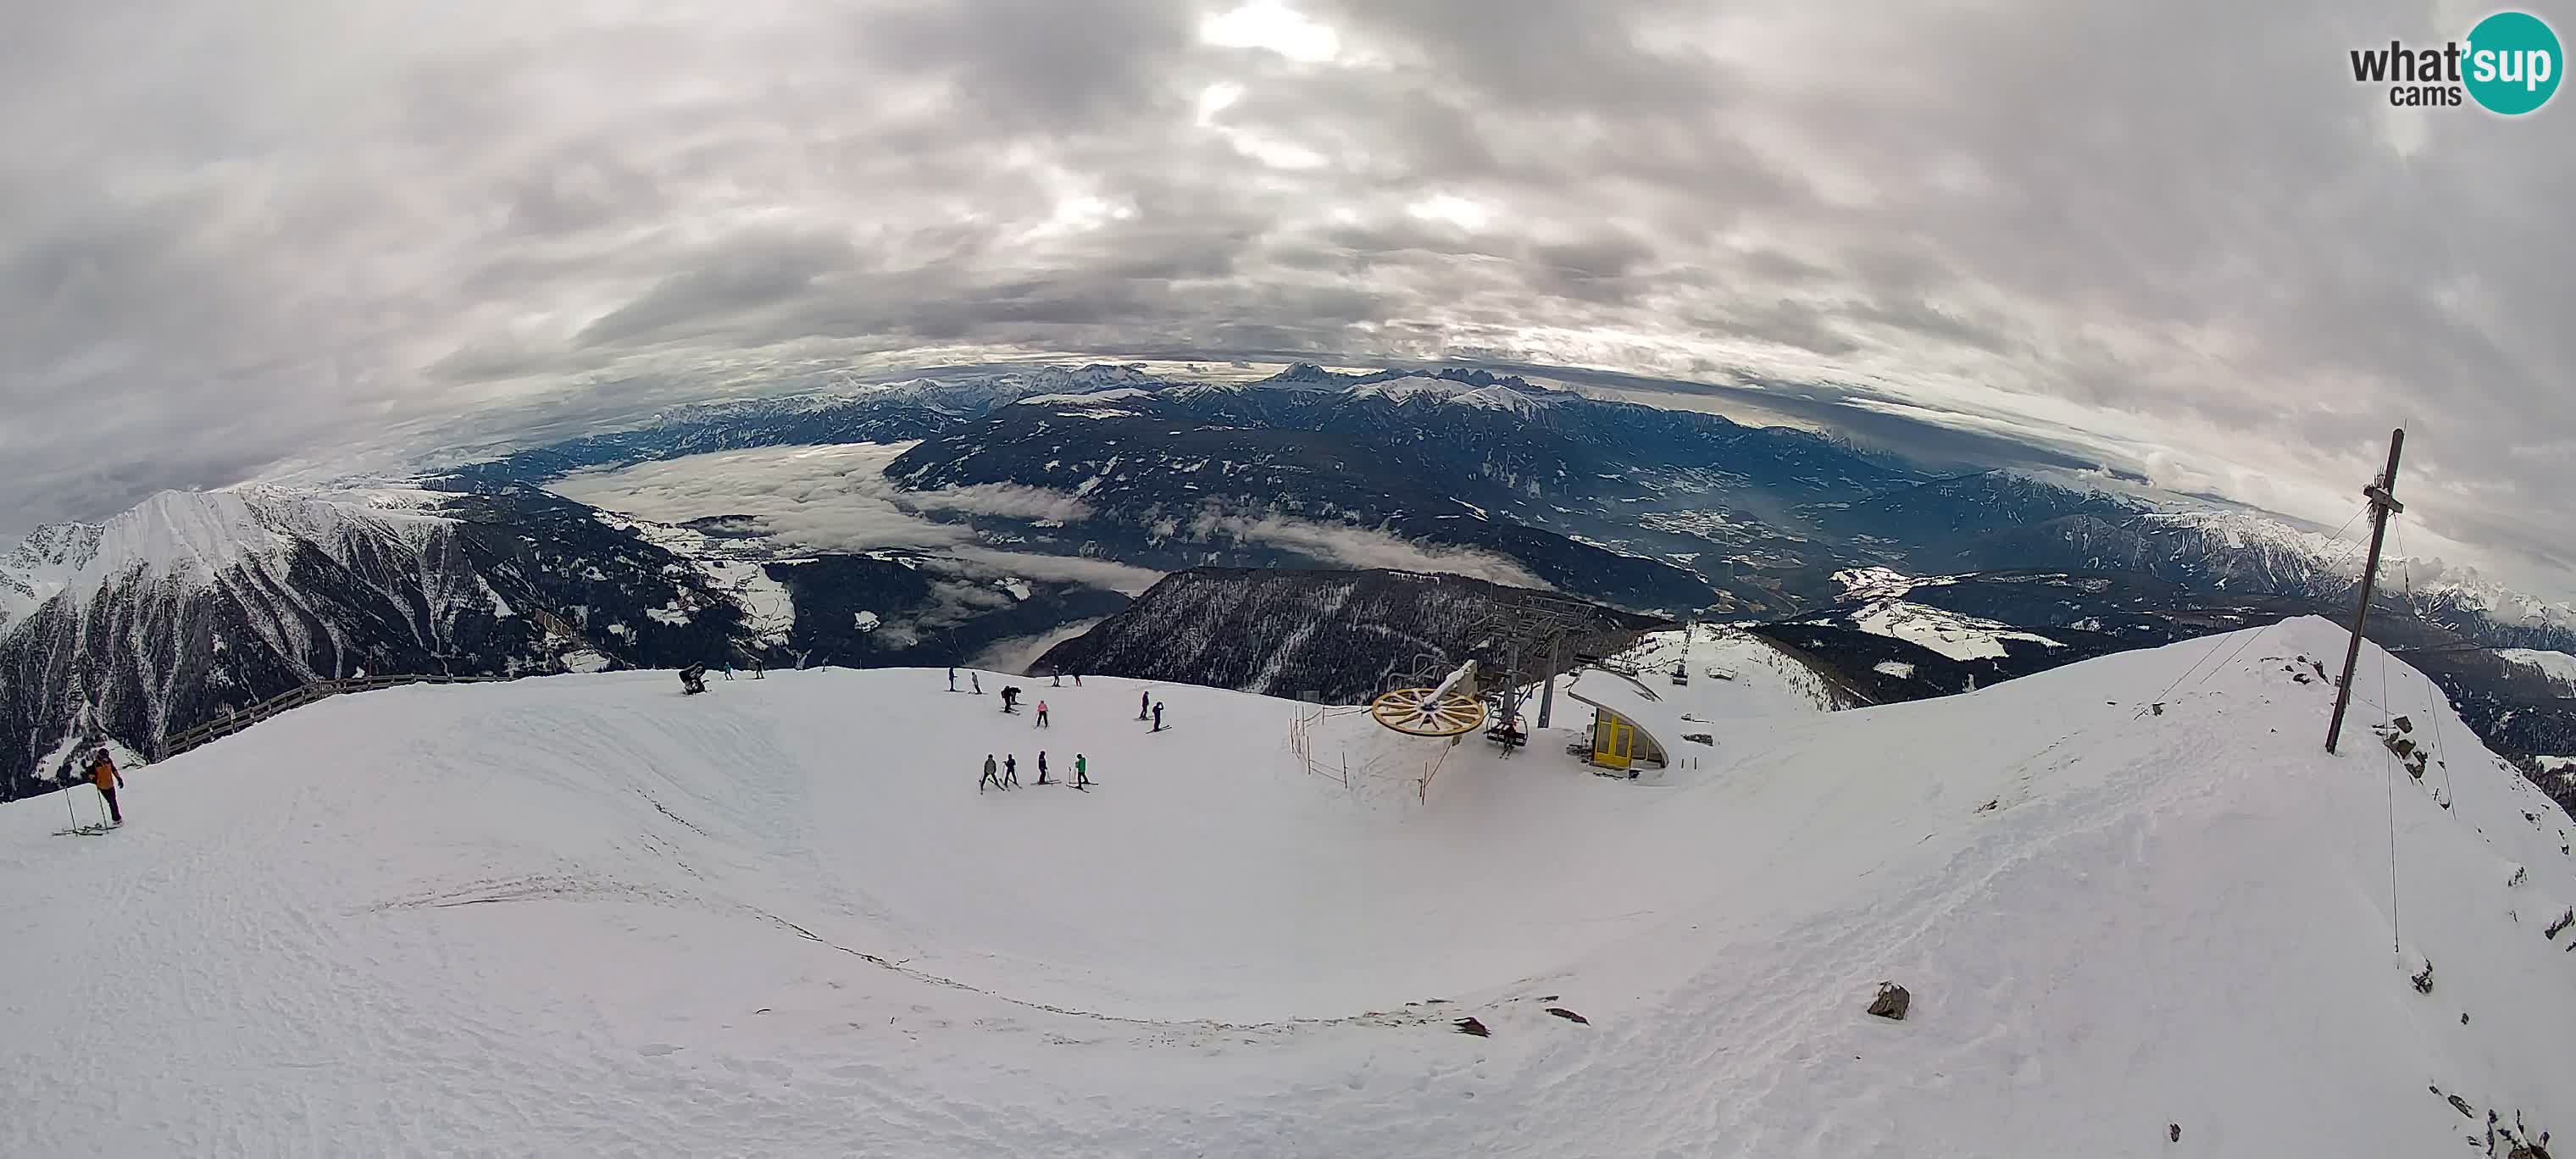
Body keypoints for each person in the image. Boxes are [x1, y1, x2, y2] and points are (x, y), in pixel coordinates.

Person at [88, 748, 124, 825]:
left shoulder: (109, 761)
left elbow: (113, 770)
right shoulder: (95, 764)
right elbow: (91, 774)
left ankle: (117, 818)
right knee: (111, 801)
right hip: (102, 786)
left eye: (106, 757)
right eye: (104, 757)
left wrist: (119, 779)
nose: (106, 759)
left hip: (110, 785)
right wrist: (94, 780)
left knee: (113, 801)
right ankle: (116, 819)